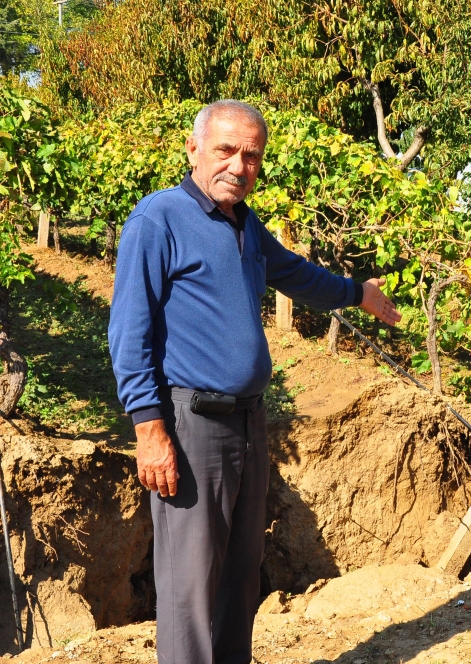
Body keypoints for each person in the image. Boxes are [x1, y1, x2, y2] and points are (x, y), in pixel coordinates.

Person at [108, 99, 401, 664]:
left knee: (240, 578)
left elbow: (294, 273)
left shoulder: (244, 224)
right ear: (193, 149)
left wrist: (357, 292)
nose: (239, 166)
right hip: (191, 426)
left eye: (251, 156)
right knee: (190, 587)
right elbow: (129, 332)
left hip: (247, 421)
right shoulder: (158, 219)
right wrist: (149, 428)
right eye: (226, 151)